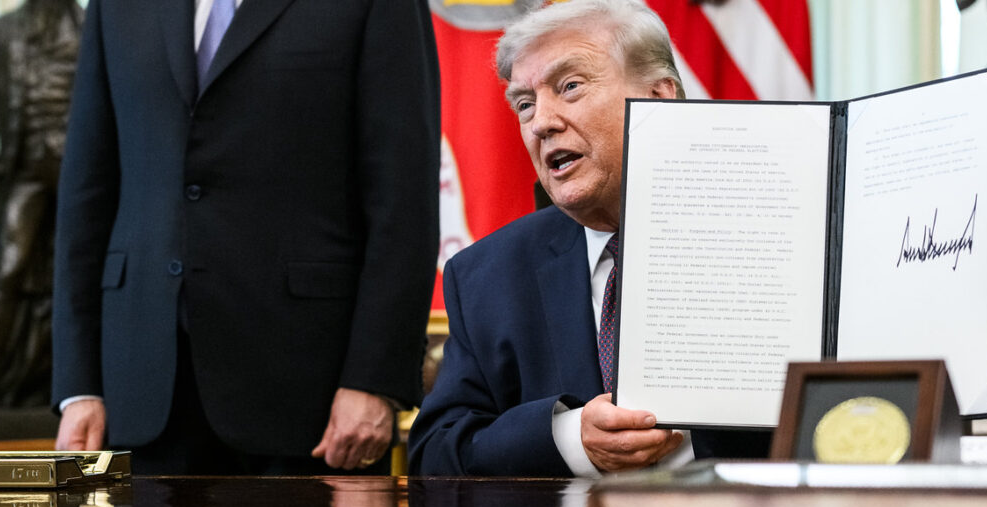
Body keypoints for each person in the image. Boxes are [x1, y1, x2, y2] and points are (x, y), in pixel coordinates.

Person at [52, 0, 440, 475]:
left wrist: (375, 380)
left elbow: (403, 203)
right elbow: (85, 196)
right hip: (139, 391)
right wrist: (79, 385)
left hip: (311, 401)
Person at [408, 0, 768, 477]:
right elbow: (436, 452)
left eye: (570, 87)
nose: (541, 122)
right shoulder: (486, 274)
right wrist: (567, 436)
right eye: (524, 103)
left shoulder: (775, 238)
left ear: (659, 98)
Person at [0, 0, 83, 410]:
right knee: (8, 270)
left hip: (78, 171)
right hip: (23, 168)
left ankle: (80, 383)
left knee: (81, 270)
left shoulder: (90, 26)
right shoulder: (0, 31)